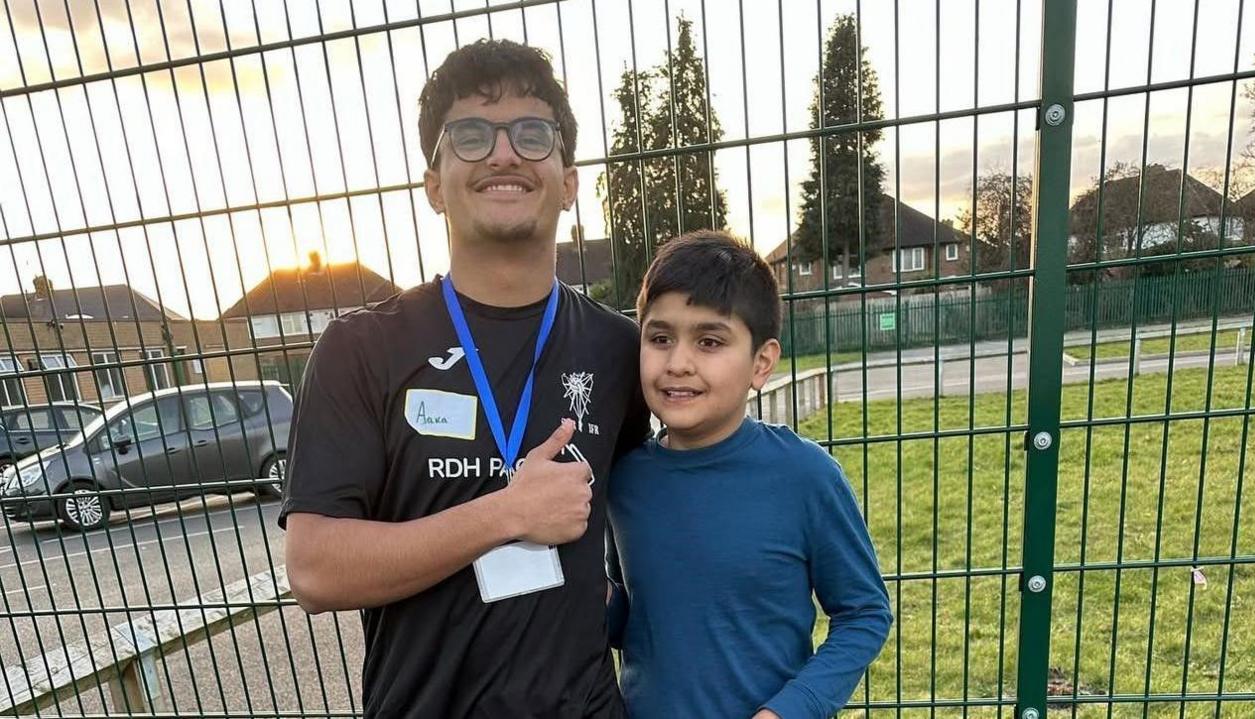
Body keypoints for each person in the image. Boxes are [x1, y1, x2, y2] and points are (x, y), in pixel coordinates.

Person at [281, 39, 650, 718]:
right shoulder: (360, 348)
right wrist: (507, 513)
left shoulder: (618, 348)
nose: (504, 154)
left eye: (533, 134)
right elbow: (315, 567)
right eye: (471, 135)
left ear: (568, 182)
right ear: (432, 185)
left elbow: (648, 507)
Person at [606, 230, 893, 719]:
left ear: (761, 363)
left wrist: (790, 710)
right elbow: (632, 618)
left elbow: (865, 613)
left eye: (710, 341)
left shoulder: (805, 476)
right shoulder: (624, 479)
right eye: (659, 338)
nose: (678, 363)